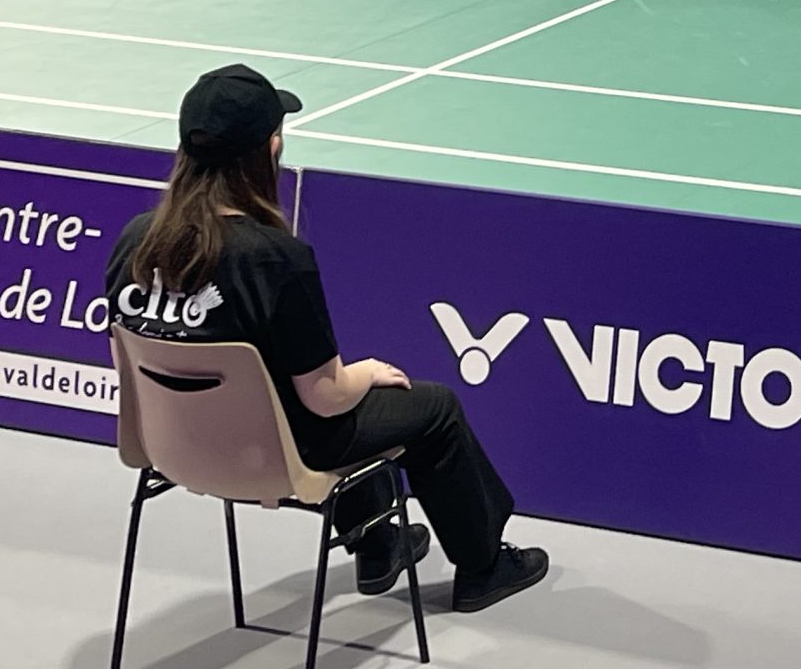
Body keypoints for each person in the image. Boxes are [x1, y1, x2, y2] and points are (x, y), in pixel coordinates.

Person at [107, 64, 547, 612]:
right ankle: (484, 567)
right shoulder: (276, 259)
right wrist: (365, 373)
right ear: (268, 152)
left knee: (304, 397)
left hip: (171, 448)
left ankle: (379, 540)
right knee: (430, 409)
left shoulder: (134, 241)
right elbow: (326, 395)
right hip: (270, 453)